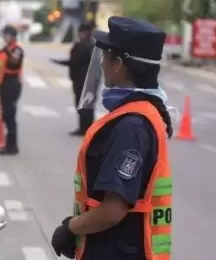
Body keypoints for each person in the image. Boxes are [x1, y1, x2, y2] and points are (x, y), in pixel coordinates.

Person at [51, 16, 173, 260]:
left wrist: (70, 228)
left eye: (105, 57)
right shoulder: (140, 113)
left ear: (118, 64)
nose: (102, 64)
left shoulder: (132, 126)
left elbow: (113, 211)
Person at [51, 22, 95, 136]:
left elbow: (74, 61)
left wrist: (59, 62)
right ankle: (85, 128)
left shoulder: (85, 46)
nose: (81, 34)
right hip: (84, 79)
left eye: (82, 32)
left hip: (83, 80)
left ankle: (86, 129)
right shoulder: (88, 45)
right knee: (85, 105)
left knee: (83, 106)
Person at [0, 25, 24, 155]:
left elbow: (14, 62)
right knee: (6, 115)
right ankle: (9, 144)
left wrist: (6, 51)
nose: (5, 37)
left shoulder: (17, 49)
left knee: (10, 115)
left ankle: (12, 146)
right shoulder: (5, 49)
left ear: (12, 36)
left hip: (12, 84)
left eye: (7, 35)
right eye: (4, 35)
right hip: (4, 84)